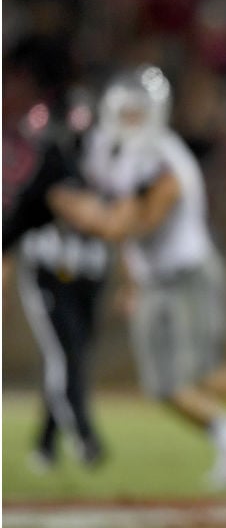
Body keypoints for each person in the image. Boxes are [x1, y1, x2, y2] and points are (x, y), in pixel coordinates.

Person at [48, 65, 226, 490]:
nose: (129, 121)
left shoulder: (167, 161)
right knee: (160, 386)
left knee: (200, 374)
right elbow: (120, 220)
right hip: (153, 279)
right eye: (124, 112)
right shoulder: (113, 149)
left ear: (155, 113)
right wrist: (131, 278)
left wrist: (62, 201)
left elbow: (129, 224)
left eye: (137, 112)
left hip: (188, 275)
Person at [3, 52, 110, 471]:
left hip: (89, 268)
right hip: (51, 268)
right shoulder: (48, 170)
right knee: (67, 357)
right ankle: (84, 439)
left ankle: (45, 444)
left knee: (73, 358)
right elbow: (16, 223)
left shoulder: (104, 159)